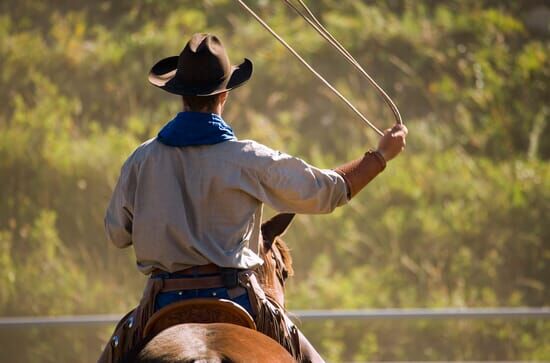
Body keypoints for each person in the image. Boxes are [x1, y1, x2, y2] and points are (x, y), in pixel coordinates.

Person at [99, 33, 407, 363]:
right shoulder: (248, 158)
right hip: (239, 296)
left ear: (179, 94)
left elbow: (118, 234)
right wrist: (380, 157)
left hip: (160, 301)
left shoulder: (141, 160)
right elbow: (327, 191)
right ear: (224, 94)